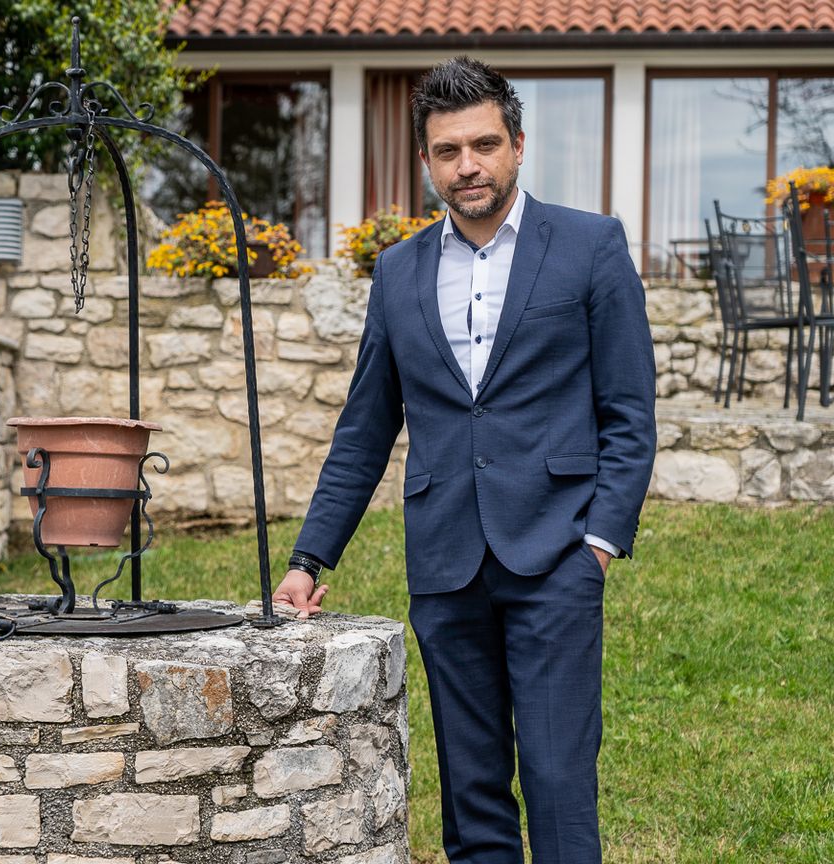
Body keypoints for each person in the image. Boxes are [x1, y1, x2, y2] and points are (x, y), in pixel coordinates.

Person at [273, 57, 657, 864]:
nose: (468, 165)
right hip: (445, 564)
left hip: (556, 556)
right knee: (471, 796)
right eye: (448, 151)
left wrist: (598, 543)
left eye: (484, 145)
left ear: (518, 146)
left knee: (558, 786)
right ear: (427, 161)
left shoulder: (590, 247)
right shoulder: (398, 271)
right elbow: (364, 429)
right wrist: (310, 558)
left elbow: (628, 412)